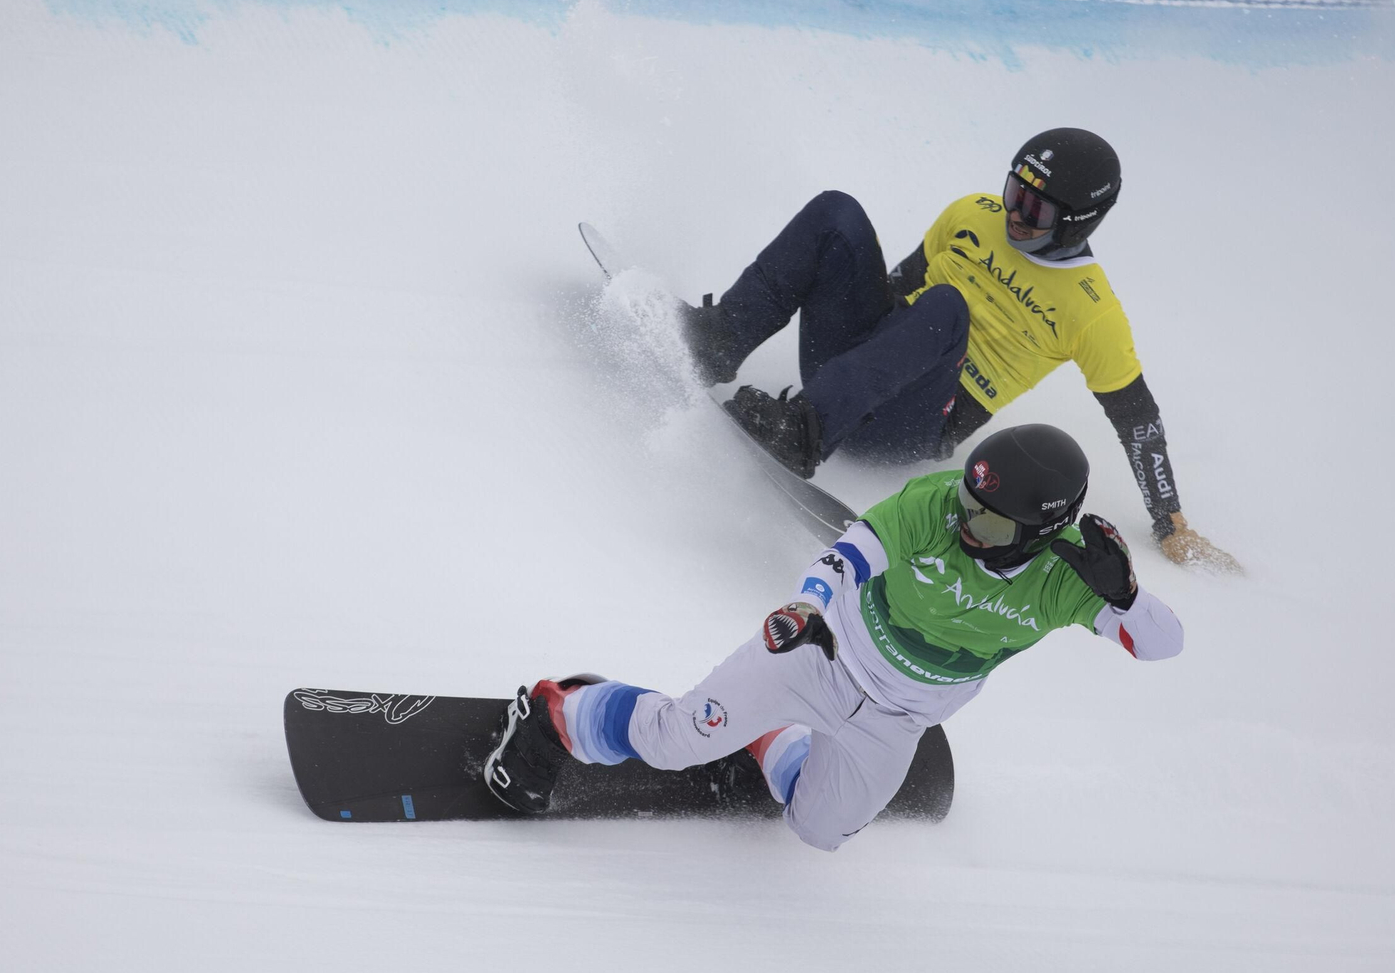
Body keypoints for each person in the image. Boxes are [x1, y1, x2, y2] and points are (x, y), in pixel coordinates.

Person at [483, 424, 1183, 851]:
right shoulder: (934, 506)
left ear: (1040, 530)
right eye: (970, 503)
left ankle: (768, 738)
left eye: (992, 522)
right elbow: (843, 559)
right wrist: (807, 606)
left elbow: (1163, 645)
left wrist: (1125, 597)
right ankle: (555, 713)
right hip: (819, 656)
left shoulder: (1069, 580)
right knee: (672, 744)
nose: (968, 525)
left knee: (818, 832)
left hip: (898, 718)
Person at [680, 127, 1234, 569]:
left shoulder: (1094, 313)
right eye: (1015, 193)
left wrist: (1171, 523)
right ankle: (717, 341)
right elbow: (895, 289)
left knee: (946, 306)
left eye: (1037, 211)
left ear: (1077, 222)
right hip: (857, 370)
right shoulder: (972, 213)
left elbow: (1138, 420)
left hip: (911, 423)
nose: (1016, 214)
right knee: (836, 213)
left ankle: (802, 434)